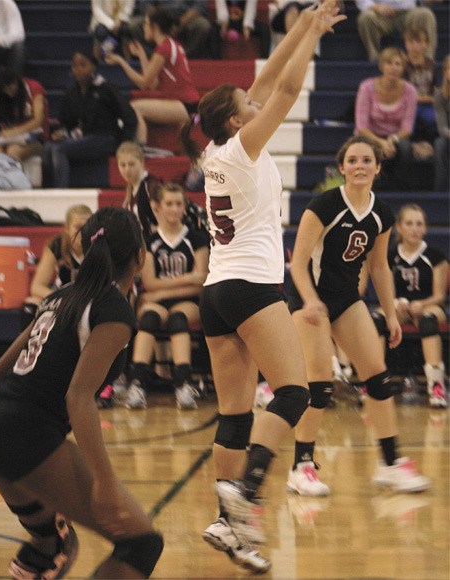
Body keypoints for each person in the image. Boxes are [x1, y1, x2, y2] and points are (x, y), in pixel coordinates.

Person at [181, 1, 346, 572]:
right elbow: (288, 87)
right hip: (251, 286)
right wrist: (313, 41)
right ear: (236, 121)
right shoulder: (244, 147)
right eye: (247, 105)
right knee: (295, 393)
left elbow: (268, 77)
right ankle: (247, 493)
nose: (257, 102)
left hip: (216, 292)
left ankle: (230, 529)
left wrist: (304, 22)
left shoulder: (214, 149)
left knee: (233, 415)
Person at [0, 207, 164, 579]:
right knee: (143, 543)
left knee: (50, 543)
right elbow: (79, 397)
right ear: (141, 257)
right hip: (27, 434)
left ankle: (39, 556)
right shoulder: (113, 310)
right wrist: (104, 480)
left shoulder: (61, 294)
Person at [285, 135, 431, 499]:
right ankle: (301, 467)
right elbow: (297, 262)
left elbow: (379, 267)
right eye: (353, 160)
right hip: (310, 301)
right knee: (319, 385)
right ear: (342, 167)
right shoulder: (323, 206)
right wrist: (310, 301)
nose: (360, 166)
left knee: (379, 377)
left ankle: (390, 464)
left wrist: (392, 315)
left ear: (378, 168)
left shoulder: (381, 213)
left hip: (348, 300)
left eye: (367, 160)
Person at [128, 182, 209, 410]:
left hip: (187, 301)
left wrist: (161, 291)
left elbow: (201, 283)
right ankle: (137, 384)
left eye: (178, 204)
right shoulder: (149, 241)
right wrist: (189, 277)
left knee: (178, 319)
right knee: (148, 319)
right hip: (157, 302)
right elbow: (149, 282)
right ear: (157, 207)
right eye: (169, 204)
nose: (174, 209)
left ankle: (183, 384)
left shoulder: (197, 239)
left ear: (185, 207)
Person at [373, 204, 448, 408]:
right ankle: (376, 382)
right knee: (378, 318)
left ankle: (436, 385)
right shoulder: (389, 256)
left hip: (428, 306)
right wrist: (394, 304)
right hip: (398, 307)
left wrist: (420, 304)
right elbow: (384, 291)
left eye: (419, 224)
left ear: (425, 228)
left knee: (427, 320)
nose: (414, 228)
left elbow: (440, 296)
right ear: (399, 227)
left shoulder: (435, 256)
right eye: (409, 223)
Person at [105, 7, 199, 148]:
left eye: (146, 24)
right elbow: (152, 84)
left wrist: (121, 61)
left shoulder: (163, 49)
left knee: (134, 107)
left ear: (154, 27)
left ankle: (141, 147)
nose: (143, 27)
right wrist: (142, 55)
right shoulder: (170, 45)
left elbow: (143, 84)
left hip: (184, 104)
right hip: (187, 103)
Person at [42, 51, 137, 188]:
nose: (78, 69)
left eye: (83, 65)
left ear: (93, 67)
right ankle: (45, 192)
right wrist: (62, 132)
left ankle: (59, 192)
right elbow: (66, 122)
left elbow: (129, 116)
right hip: (84, 137)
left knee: (59, 150)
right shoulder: (71, 92)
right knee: (48, 147)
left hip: (106, 138)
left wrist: (124, 143)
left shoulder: (105, 88)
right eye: (74, 66)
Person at [19, 205, 93, 331]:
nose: (82, 233)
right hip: (62, 298)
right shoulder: (57, 245)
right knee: (30, 305)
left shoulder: (98, 246)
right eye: (78, 227)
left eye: (87, 227)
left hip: (89, 298)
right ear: (67, 229)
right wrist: (64, 300)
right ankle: (31, 347)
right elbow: (37, 287)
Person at [355, 46, 416, 190]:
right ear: (382, 65)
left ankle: (400, 189)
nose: (393, 68)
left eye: (398, 64)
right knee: (367, 147)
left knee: (405, 148)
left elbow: (407, 128)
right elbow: (361, 126)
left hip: (395, 137)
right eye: (389, 63)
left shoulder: (410, 91)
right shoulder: (366, 87)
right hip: (370, 135)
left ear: (403, 68)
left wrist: (391, 140)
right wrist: (380, 142)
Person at [0, 66, 49, 163]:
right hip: (14, 139)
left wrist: (14, 131)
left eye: (10, 87)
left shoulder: (34, 88)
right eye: (5, 90)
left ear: (15, 80)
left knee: (13, 151)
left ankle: (16, 178)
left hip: (37, 139)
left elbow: (38, 121)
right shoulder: (5, 97)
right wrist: (5, 131)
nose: (9, 92)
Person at [354, 0, 438, 62]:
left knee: (426, 15)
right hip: (379, 14)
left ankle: (427, 60)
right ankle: (375, 59)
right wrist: (376, 7)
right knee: (365, 17)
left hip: (408, 12)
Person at [130, 0, 212, 59]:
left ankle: (183, 57)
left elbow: (199, 6)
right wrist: (159, 21)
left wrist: (180, 23)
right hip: (158, 15)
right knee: (134, 25)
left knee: (203, 25)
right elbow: (145, 4)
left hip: (186, 16)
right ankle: (155, 56)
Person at [403, 25, 438, 148]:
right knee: (406, 122)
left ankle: (432, 146)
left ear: (426, 44)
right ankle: (410, 147)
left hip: (427, 105)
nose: (414, 46)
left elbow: (435, 86)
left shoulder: (431, 64)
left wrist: (435, 97)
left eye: (418, 42)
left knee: (434, 120)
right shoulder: (402, 63)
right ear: (405, 43)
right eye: (410, 42)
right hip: (407, 104)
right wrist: (424, 98)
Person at [0, 0, 25, 75]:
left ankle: (13, 83)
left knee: (18, 47)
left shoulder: (7, 4)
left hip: (7, 47)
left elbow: (18, 34)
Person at [434, 54, 450, 192]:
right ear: (445, 72)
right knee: (440, 144)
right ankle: (440, 189)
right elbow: (442, 127)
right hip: (448, 136)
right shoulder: (440, 95)